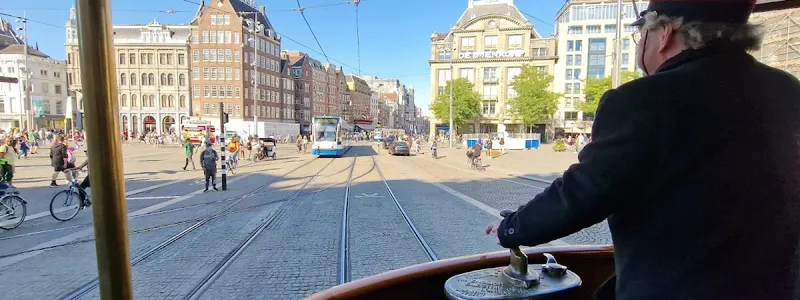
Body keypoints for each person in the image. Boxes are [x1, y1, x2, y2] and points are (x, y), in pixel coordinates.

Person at [485, 1, 800, 299]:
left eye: (641, 34)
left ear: (664, 34)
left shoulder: (643, 99)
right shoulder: (788, 89)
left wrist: (511, 228)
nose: (639, 46)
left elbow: (583, 191)